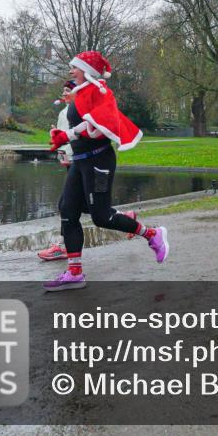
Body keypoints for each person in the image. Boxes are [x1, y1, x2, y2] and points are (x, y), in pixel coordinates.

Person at [43, 50, 168, 291]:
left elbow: (98, 125)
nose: (71, 71)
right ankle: (74, 273)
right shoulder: (81, 93)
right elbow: (82, 123)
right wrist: (61, 136)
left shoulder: (101, 92)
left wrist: (67, 135)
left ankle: (152, 234)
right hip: (80, 161)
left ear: (87, 70)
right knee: (67, 209)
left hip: (98, 161)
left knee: (101, 217)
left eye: (75, 67)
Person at [37, 80, 78, 262]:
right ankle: (125, 217)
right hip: (69, 161)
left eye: (68, 90)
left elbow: (75, 136)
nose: (64, 94)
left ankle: (62, 247)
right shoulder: (63, 112)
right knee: (79, 206)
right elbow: (62, 137)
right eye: (63, 91)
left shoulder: (79, 112)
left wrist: (69, 152)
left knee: (66, 204)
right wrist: (55, 135)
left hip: (78, 161)